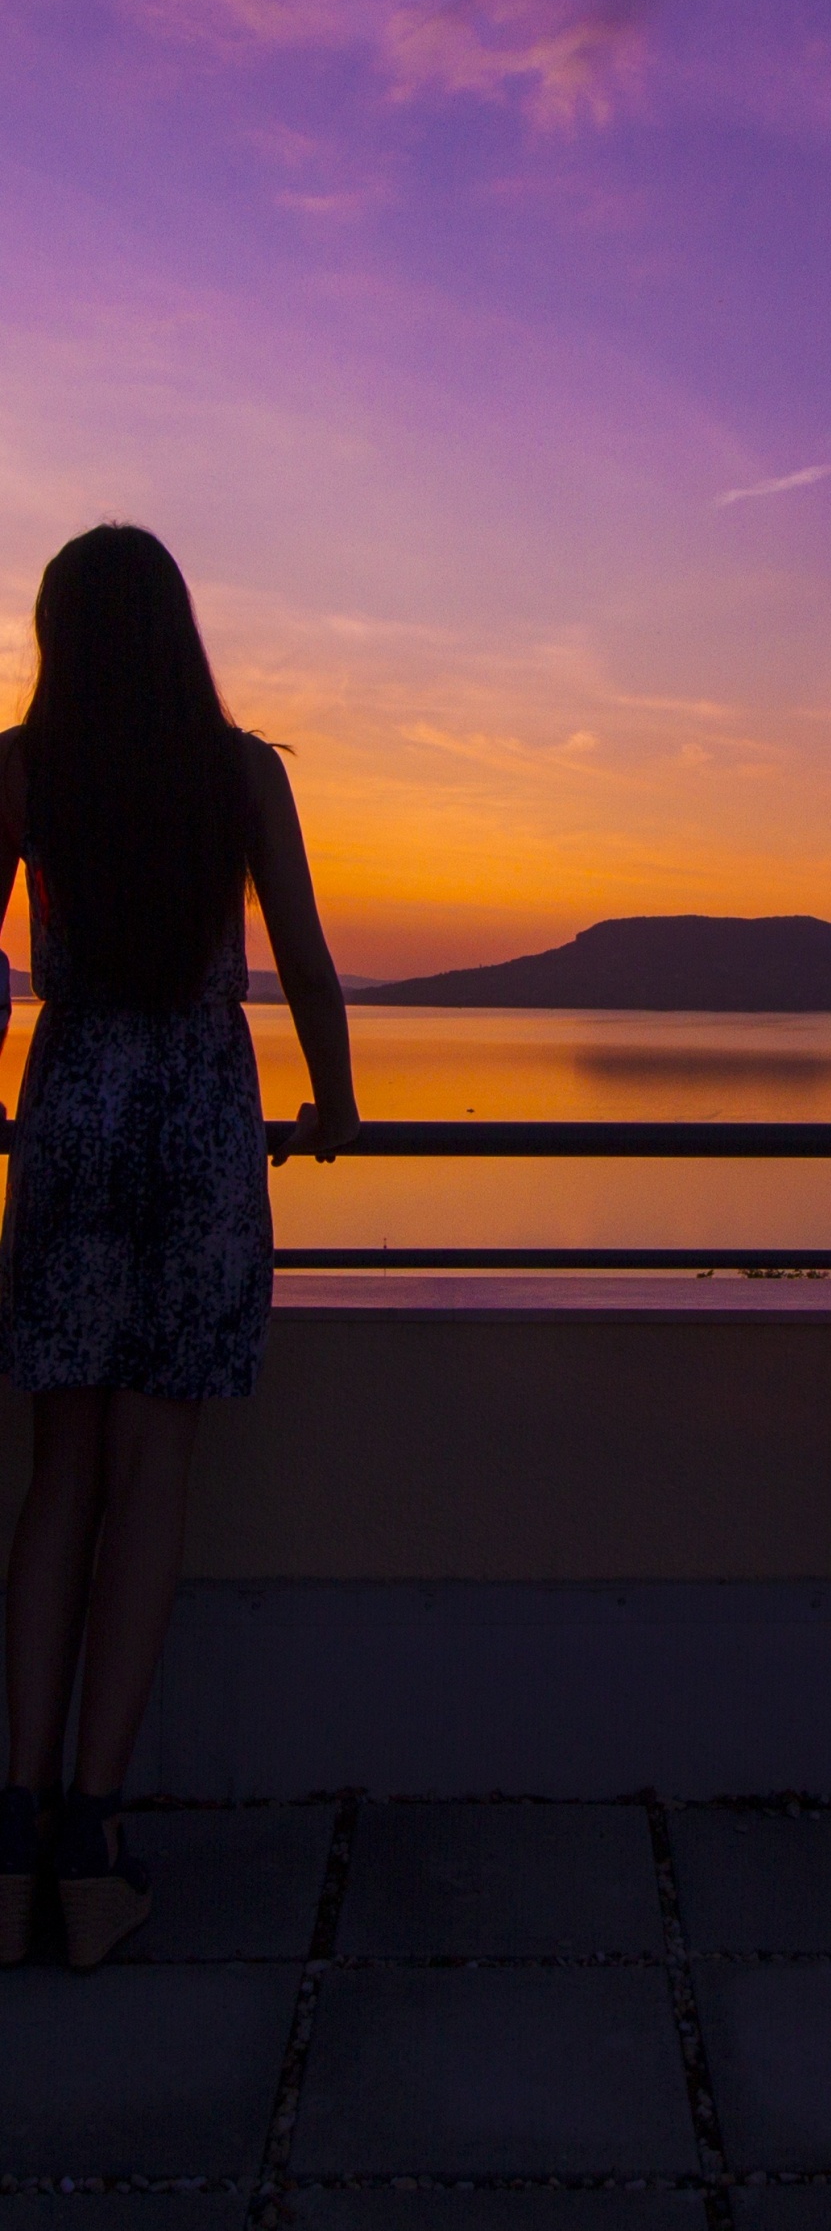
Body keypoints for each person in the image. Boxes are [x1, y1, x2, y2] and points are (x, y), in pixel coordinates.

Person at [0, 525, 360, 1968]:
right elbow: (309, 959)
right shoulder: (241, 769)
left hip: (75, 1106)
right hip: (203, 1121)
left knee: (59, 1471)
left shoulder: (23, 765)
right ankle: (93, 1847)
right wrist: (334, 1106)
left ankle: (12, 1837)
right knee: (153, 1471)